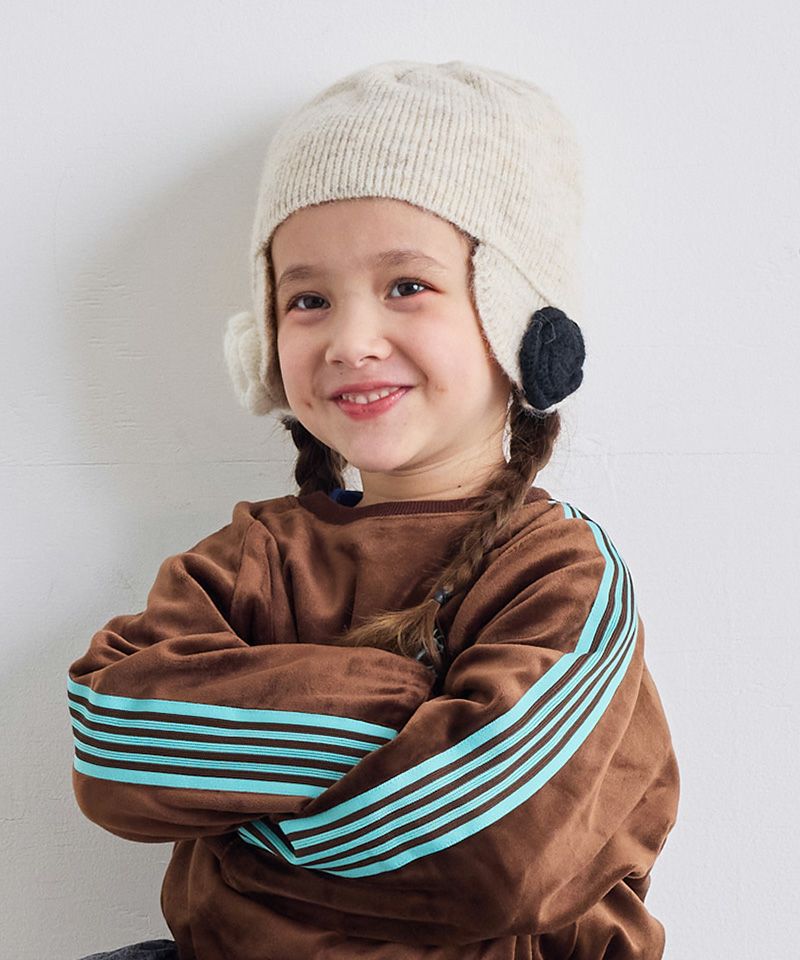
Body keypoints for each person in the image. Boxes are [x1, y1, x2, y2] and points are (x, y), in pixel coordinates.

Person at [69, 59, 680, 960]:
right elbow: (116, 744)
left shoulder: (563, 572)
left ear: (523, 323)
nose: (351, 341)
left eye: (406, 286)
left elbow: (494, 847)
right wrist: (408, 705)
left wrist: (242, 812)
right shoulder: (251, 552)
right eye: (308, 299)